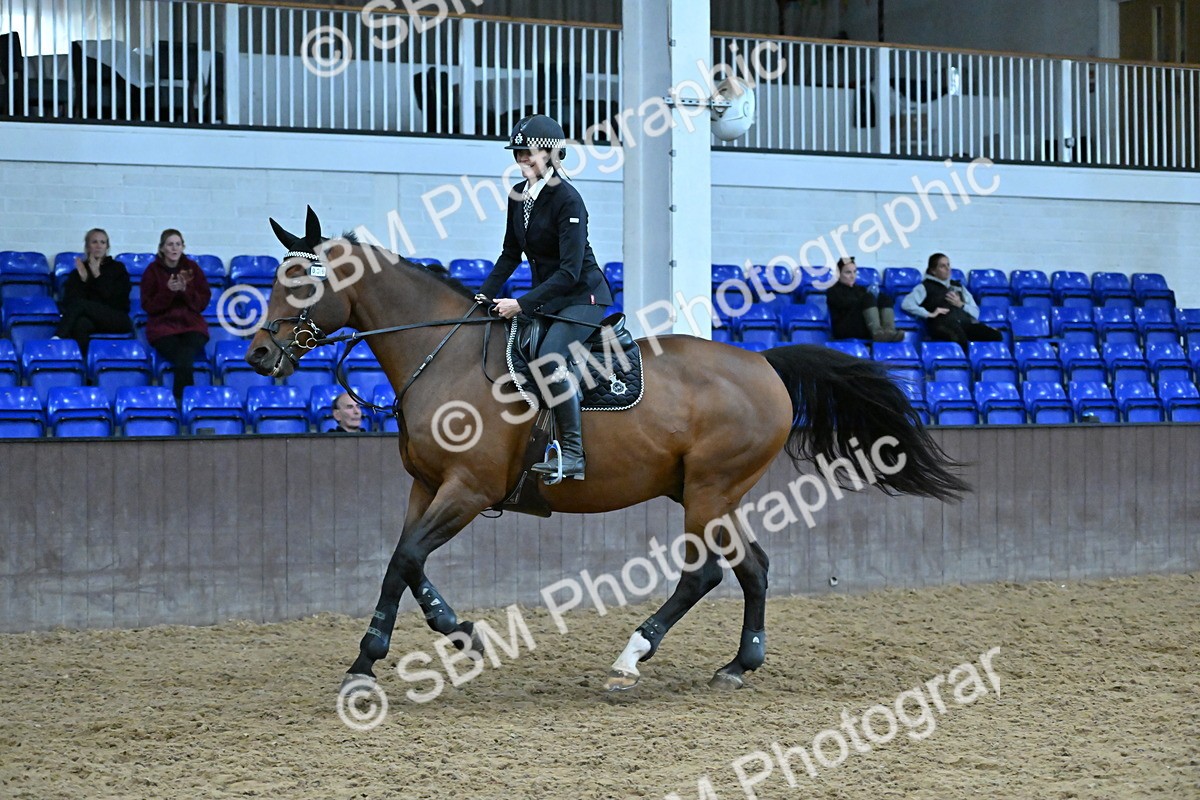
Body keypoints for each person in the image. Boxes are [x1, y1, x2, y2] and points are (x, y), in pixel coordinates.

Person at [477, 114, 614, 482]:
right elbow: (509, 254)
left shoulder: (567, 199)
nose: (522, 160)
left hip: (582, 296)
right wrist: (483, 294)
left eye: (529, 154)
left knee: (548, 358)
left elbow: (569, 272)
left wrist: (522, 304)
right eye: (518, 153)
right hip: (551, 298)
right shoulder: (517, 196)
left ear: (552, 154)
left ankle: (572, 454)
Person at [141, 229, 211, 405]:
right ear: (162, 248)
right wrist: (168, 292)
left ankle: (180, 401)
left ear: (183, 247)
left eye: (178, 244)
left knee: (185, 353)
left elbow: (202, 303)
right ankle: (188, 402)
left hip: (192, 326)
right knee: (184, 356)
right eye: (170, 244)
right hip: (162, 328)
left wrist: (185, 290)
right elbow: (148, 306)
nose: (174, 248)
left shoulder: (193, 268)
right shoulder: (152, 271)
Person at [53, 228, 133, 357]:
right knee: (81, 324)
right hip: (92, 319)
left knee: (81, 306)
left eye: (102, 242)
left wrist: (97, 276)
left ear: (107, 246)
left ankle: (57, 338)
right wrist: (83, 281)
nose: (98, 246)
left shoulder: (118, 269)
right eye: (94, 242)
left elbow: (117, 301)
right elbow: (71, 302)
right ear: (87, 246)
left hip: (117, 318)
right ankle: (85, 370)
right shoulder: (79, 272)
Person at [902, 253, 1003, 354]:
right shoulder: (925, 287)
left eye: (948, 265)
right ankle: (964, 366)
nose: (947, 269)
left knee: (995, 335)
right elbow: (907, 304)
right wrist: (929, 314)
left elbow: (975, 313)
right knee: (959, 338)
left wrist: (961, 304)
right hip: (941, 325)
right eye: (942, 266)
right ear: (933, 271)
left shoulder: (959, 287)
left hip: (964, 324)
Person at [825, 256, 904, 342]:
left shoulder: (861, 290)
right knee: (868, 297)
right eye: (848, 273)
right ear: (839, 274)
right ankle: (877, 333)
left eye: (855, 272)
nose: (853, 276)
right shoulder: (833, 291)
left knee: (884, 298)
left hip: (862, 327)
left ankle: (889, 331)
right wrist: (865, 301)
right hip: (845, 329)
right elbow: (847, 304)